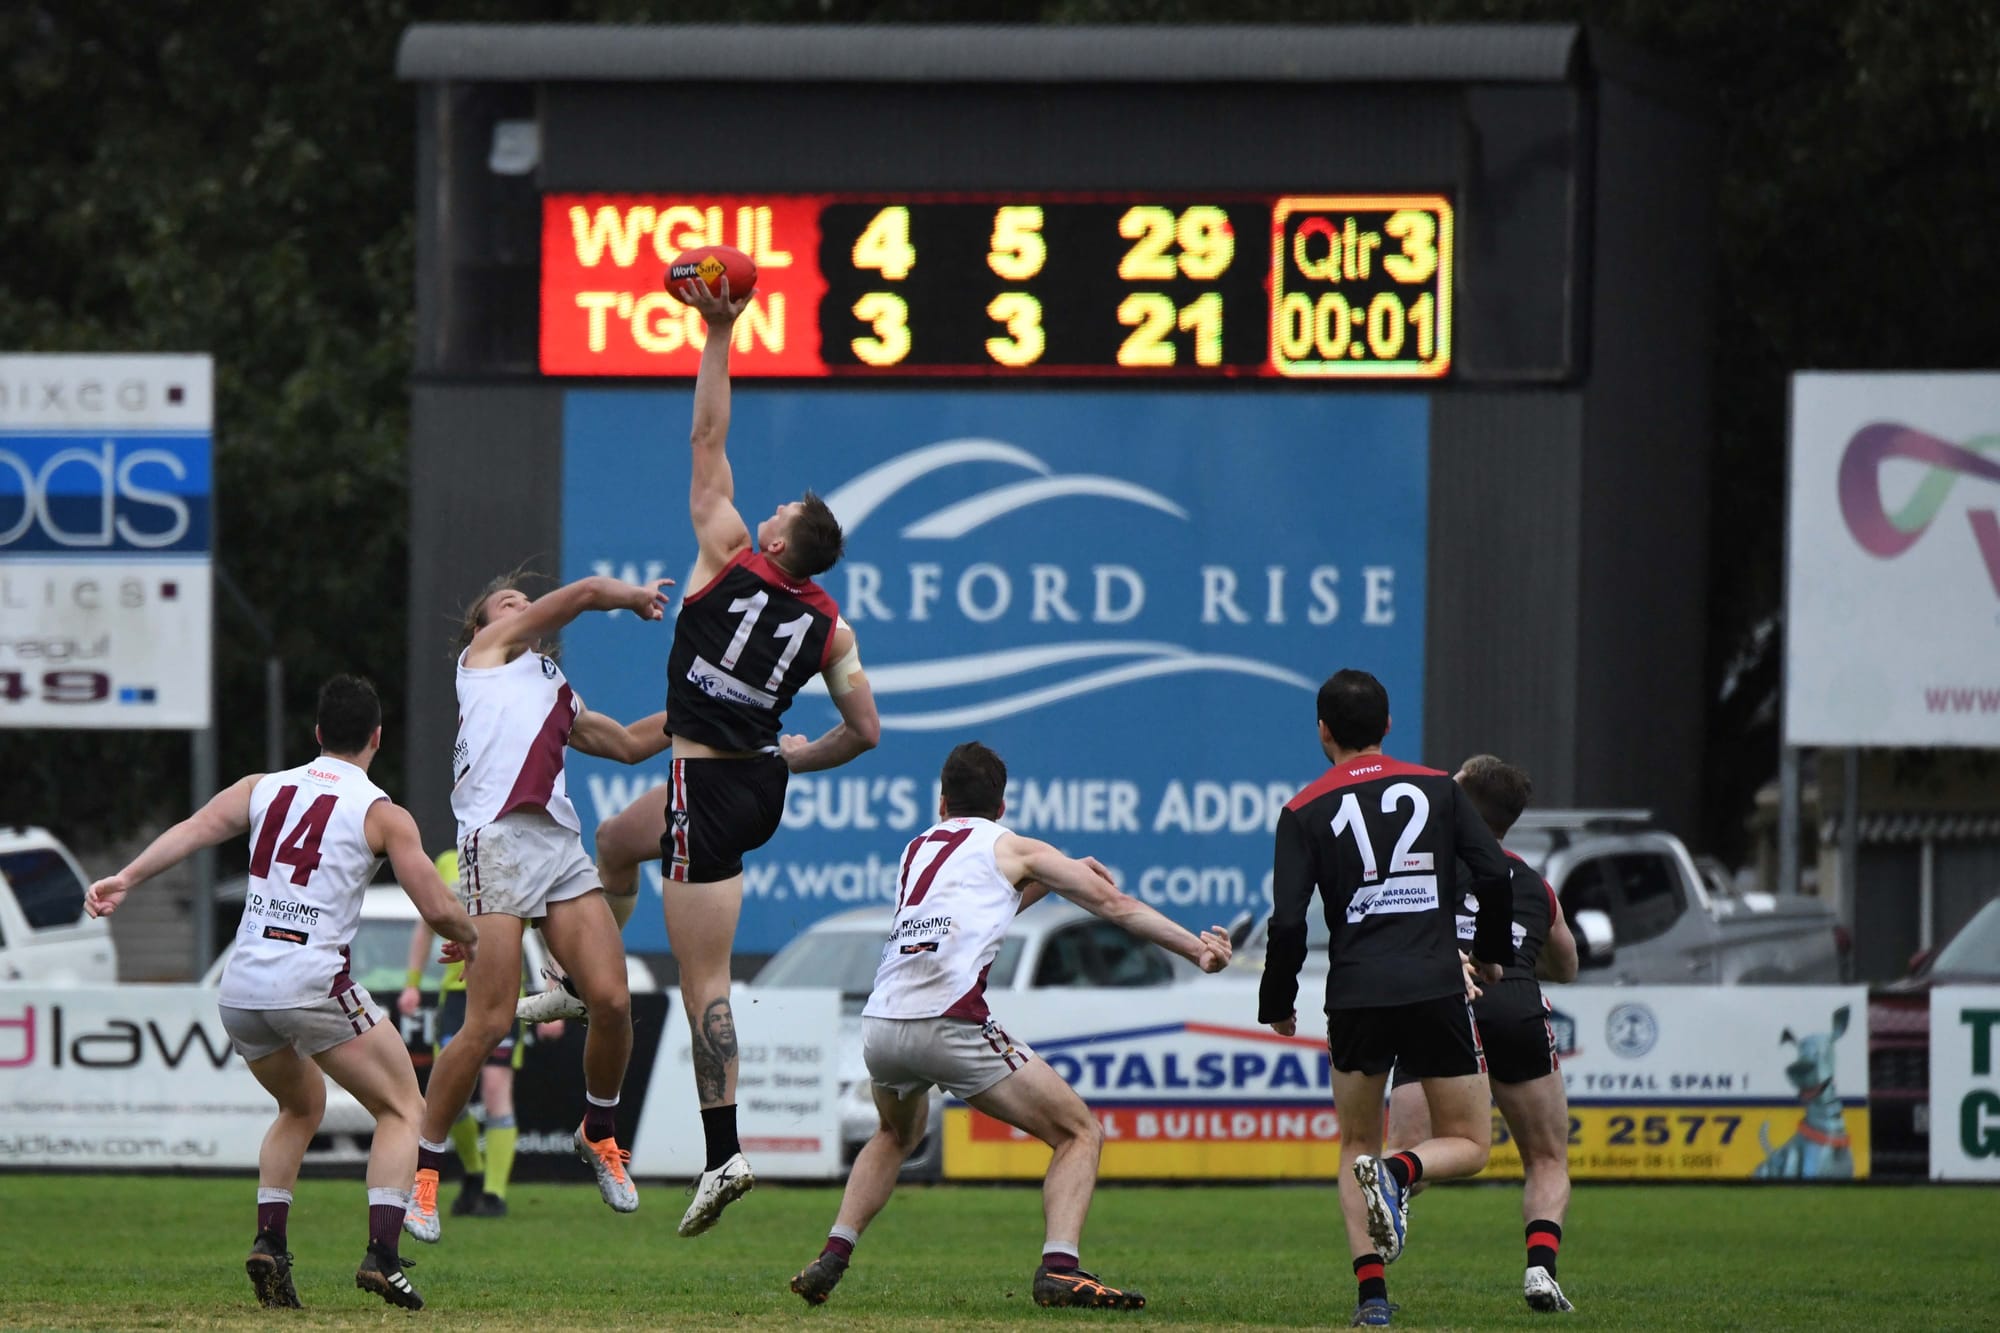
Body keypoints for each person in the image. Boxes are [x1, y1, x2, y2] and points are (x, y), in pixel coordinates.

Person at [583, 272, 881, 1239]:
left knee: (703, 982)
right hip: (746, 781)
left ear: (781, 540)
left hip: (707, 788)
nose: (773, 507)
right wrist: (797, 759)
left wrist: (719, 329)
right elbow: (865, 731)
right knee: (613, 840)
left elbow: (706, 438)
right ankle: (580, 975)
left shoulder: (727, 550)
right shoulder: (832, 629)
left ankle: (724, 1153)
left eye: (783, 509)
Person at [789, 741, 1233, 1310]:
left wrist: (1052, 879)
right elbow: (1115, 905)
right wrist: (1198, 950)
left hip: (881, 1026)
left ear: (942, 802)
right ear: (1002, 807)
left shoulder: (917, 850)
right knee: (1079, 1132)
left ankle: (833, 1254)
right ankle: (1061, 1268)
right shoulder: (1015, 846)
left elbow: (980, 912)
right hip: (949, 1022)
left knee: (895, 1134)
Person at [83, 675, 475, 1312]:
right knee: (404, 1108)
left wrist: (125, 877)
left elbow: (194, 829)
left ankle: (270, 1243)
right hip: (310, 979)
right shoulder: (382, 814)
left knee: (301, 1106)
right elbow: (435, 905)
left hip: (242, 988)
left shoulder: (262, 788)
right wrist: (472, 940)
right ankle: (381, 1255)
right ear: (377, 738)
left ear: (317, 733)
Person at [403, 571, 673, 1244]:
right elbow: (581, 595)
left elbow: (629, 744)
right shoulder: (486, 656)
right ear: (481, 628)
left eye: (526, 601)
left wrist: (702, 712)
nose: (521, 606)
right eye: (507, 602)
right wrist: (633, 597)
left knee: (612, 1000)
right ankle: (423, 1173)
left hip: (558, 844)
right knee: (488, 1021)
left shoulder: (552, 684)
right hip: (496, 840)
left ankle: (598, 1131)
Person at [1258, 669, 1519, 1329]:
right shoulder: (1439, 788)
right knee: (1470, 1142)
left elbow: (1287, 921)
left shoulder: (1302, 809)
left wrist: (1277, 1000)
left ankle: (1372, 1298)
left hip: (1356, 991)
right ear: (1389, 725)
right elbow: (1494, 871)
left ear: (1323, 731)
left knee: (1355, 1143)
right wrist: (1491, 954)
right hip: (1434, 983)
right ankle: (1401, 1172)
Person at [1385, 756, 1581, 1315]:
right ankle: (1541, 1269)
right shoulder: (1535, 884)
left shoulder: (1422, 867)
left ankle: (1388, 1203)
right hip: (1515, 1006)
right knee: (1546, 1158)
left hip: (1441, 1005)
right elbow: (1567, 965)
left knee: (1407, 1156)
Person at [398, 849, 567, 1220]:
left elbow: (546, 931)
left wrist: (554, 992)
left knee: (494, 1089)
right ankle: (474, 1172)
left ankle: (494, 1194)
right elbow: (426, 925)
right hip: (456, 995)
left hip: (503, 992)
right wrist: (412, 983)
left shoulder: (515, 858)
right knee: (450, 1094)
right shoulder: (446, 861)